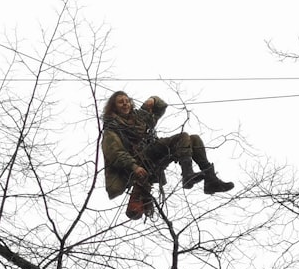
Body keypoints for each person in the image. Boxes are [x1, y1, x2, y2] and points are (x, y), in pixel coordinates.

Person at [100, 90, 234, 219]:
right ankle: (187, 175)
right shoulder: (112, 129)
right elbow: (116, 153)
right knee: (182, 137)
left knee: (194, 139)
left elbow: (161, 106)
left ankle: (211, 181)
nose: (125, 104)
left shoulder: (139, 117)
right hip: (140, 160)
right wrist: (134, 167)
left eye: (127, 101)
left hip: (152, 152)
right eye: (120, 102)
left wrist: (152, 100)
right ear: (113, 107)